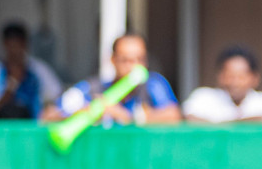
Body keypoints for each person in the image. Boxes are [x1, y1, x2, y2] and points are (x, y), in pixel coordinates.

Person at [42, 33, 180, 125]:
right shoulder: (93, 88)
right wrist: (85, 113)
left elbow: (174, 115)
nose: (133, 67)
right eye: (125, 60)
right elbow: (47, 116)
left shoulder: (153, 85)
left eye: (139, 60)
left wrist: (130, 117)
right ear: (112, 60)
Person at [183, 46, 262, 124]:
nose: (235, 83)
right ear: (220, 76)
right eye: (230, 76)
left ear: (255, 78)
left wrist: (219, 125)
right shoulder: (202, 97)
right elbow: (190, 119)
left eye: (241, 77)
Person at [0, 22, 62, 120]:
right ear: (5, 45)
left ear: (25, 45)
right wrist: (11, 86)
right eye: (11, 46)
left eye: (18, 46)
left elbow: (57, 103)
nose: (15, 51)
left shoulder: (39, 70)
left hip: (34, 131)